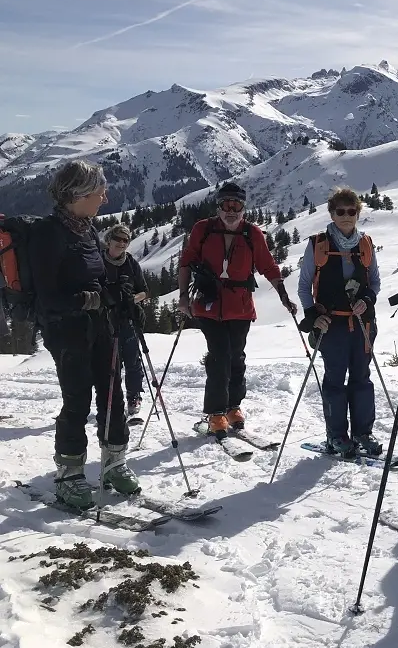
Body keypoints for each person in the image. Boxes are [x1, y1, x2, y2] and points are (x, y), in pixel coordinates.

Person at [30, 160, 139, 509]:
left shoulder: (88, 229)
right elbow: (48, 297)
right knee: (77, 401)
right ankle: (69, 475)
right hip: (67, 332)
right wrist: (95, 298)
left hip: (100, 327)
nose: (105, 198)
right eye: (99, 192)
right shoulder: (48, 235)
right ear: (77, 194)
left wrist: (118, 292)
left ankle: (114, 464)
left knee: (113, 397)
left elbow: (97, 275)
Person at [177, 182, 297, 439]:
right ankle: (215, 412)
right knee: (219, 355)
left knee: (236, 357)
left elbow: (268, 266)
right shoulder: (203, 229)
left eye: (237, 205)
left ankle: (233, 406)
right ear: (218, 207)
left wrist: (284, 296)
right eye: (226, 205)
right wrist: (183, 296)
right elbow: (187, 261)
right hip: (209, 306)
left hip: (240, 307)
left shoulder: (252, 234)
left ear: (244, 207)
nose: (231, 210)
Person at [297, 187, 382, 457]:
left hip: (361, 324)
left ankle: (362, 433)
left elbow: (375, 282)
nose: (346, 216)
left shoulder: (365, 244)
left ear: (358, 213)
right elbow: (303, 286)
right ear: (332, 213)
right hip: (330, 325)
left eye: (351, 211)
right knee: (335, 379)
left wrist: (367, 301)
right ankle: (336, 436)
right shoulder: (318, 244)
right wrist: (312, 315)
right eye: (340, 211)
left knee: (362, 377)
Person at [102, 224, 148, 415]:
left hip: (128, 319)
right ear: (109, 239)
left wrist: (130, 300)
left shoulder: (130, 263)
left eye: (125, 240)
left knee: (132, 360)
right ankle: (111, 397)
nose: (121, 243)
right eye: (118, 239)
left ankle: (134, 396)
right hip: (104, 320)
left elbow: (144, 291)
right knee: (108, 362)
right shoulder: (97, 261)